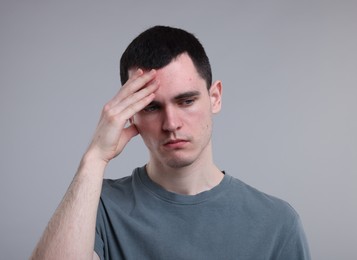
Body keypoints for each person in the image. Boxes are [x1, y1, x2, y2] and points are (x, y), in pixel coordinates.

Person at [31, 25, 311, 260]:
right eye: (151, 107)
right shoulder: (99, 205)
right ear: (130, 114)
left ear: (215, 97)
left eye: (186, 101)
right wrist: (94, 159)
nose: (171, 123)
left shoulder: (276, 223)